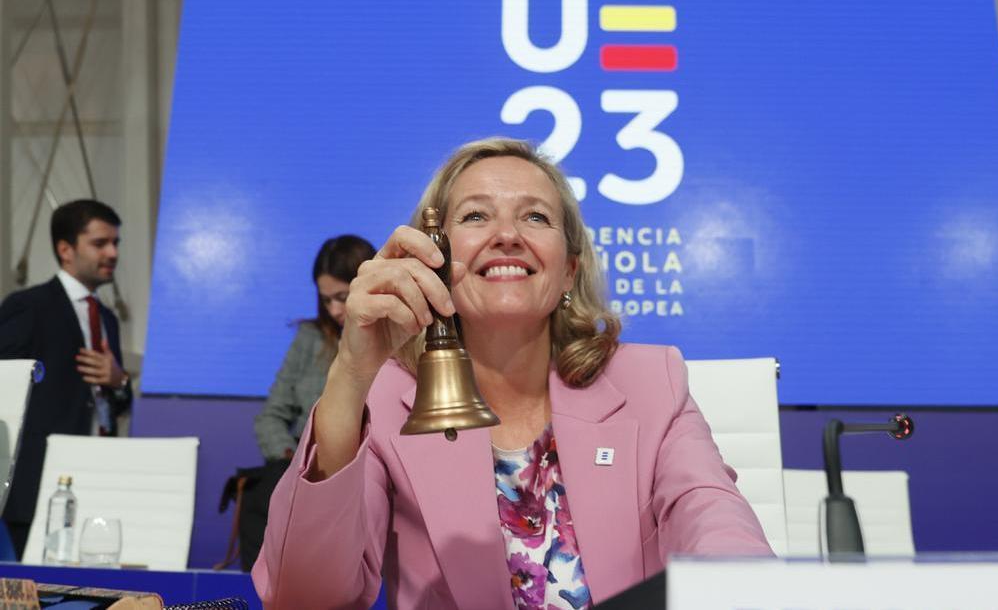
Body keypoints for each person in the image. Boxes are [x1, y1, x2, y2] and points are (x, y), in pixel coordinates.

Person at [253, 138, 771, 609]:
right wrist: (349, 372)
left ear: (569, 268)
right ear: (431, 257)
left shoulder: (650, 381)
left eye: (537, 218)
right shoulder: (389, 398)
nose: (506, 235)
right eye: (476, 216)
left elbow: (720, 532)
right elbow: (303, 598)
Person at [0, 199, 132, 558]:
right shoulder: (28, 306)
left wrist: (119, 381)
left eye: (116, 243)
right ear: (65, 249)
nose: (113, 252)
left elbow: (116, 398)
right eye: (100, 243)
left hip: (97, 473)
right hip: (39, 479)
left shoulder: (106, 317)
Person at [254, 235, 376, 461]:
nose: (334, 310)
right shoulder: (310, 338)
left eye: (342, 297)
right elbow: (270, 417)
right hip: (309, 464)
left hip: (371, 464)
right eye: (326, 300)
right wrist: (293, 462)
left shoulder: (397, 339)